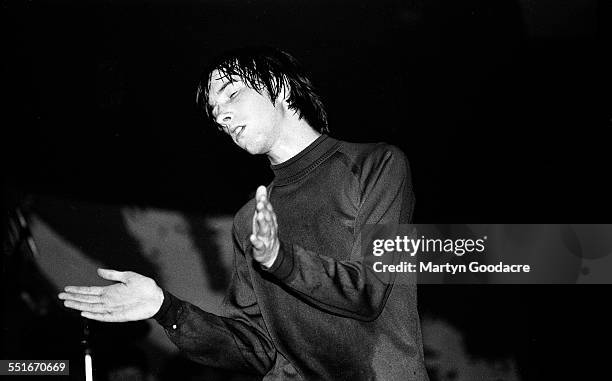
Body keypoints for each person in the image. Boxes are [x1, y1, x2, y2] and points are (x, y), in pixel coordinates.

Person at [59, 47, 429, 380]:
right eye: (215, 112)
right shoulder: (248, 219)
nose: (222, 115)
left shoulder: (377, 164)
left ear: (281, 87)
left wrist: (279, 258)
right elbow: (256, 349)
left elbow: (368, 291)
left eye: (232, 94)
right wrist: (166, 308)